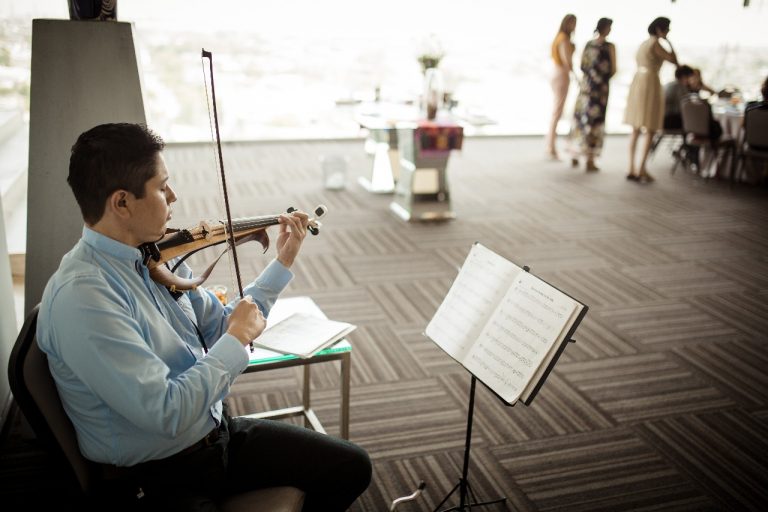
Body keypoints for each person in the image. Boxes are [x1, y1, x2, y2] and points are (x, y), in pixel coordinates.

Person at [36, 123, 371, 511]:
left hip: (215, 437)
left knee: (351, 466)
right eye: (163, 187)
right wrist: (235, 340)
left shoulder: (154, 256)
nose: (174, 196)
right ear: (122, 203)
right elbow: (167, 412)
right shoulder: (84, 298)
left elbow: (220, 325)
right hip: (155, 477)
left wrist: (282, 262)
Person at [623, 17, 678, 182]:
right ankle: (641, 169)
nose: (669, 31)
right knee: (650, 127)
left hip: (638, 82)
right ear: (660, 29)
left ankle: (631, 167)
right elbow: (674, 61)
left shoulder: (643, 43)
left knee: (635, 127)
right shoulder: (656, 44)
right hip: (650, 84)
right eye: (667, 28)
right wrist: (669, 42)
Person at [568, 17, 616, 172]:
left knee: (583, 120)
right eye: (609, 27)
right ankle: (588, 158)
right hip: (598, 89)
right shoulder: (609, 47)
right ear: (605, 28)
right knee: (593, 122)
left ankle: (578, 154)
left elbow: (583, 65)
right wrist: (600, 79)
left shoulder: (589, 44)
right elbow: (613, 69)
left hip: (587, 87)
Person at [545, 13, 577, 160]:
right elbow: (566, 61)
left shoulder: (559, 37)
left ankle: (550, 145)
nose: (574, 26)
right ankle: (551, 147)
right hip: (561, 74)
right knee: (557, 112)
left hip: (556, 72)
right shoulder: (563, 39)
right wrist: (575, 75)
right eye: (572, 23)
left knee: (556, 111)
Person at [663, 64, 695, 130]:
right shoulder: (680, 87)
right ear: (684, 77)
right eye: (690, 77)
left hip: (663, 119)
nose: (691, 81)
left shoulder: (669, 85)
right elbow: (684, 108)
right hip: (671, 120)